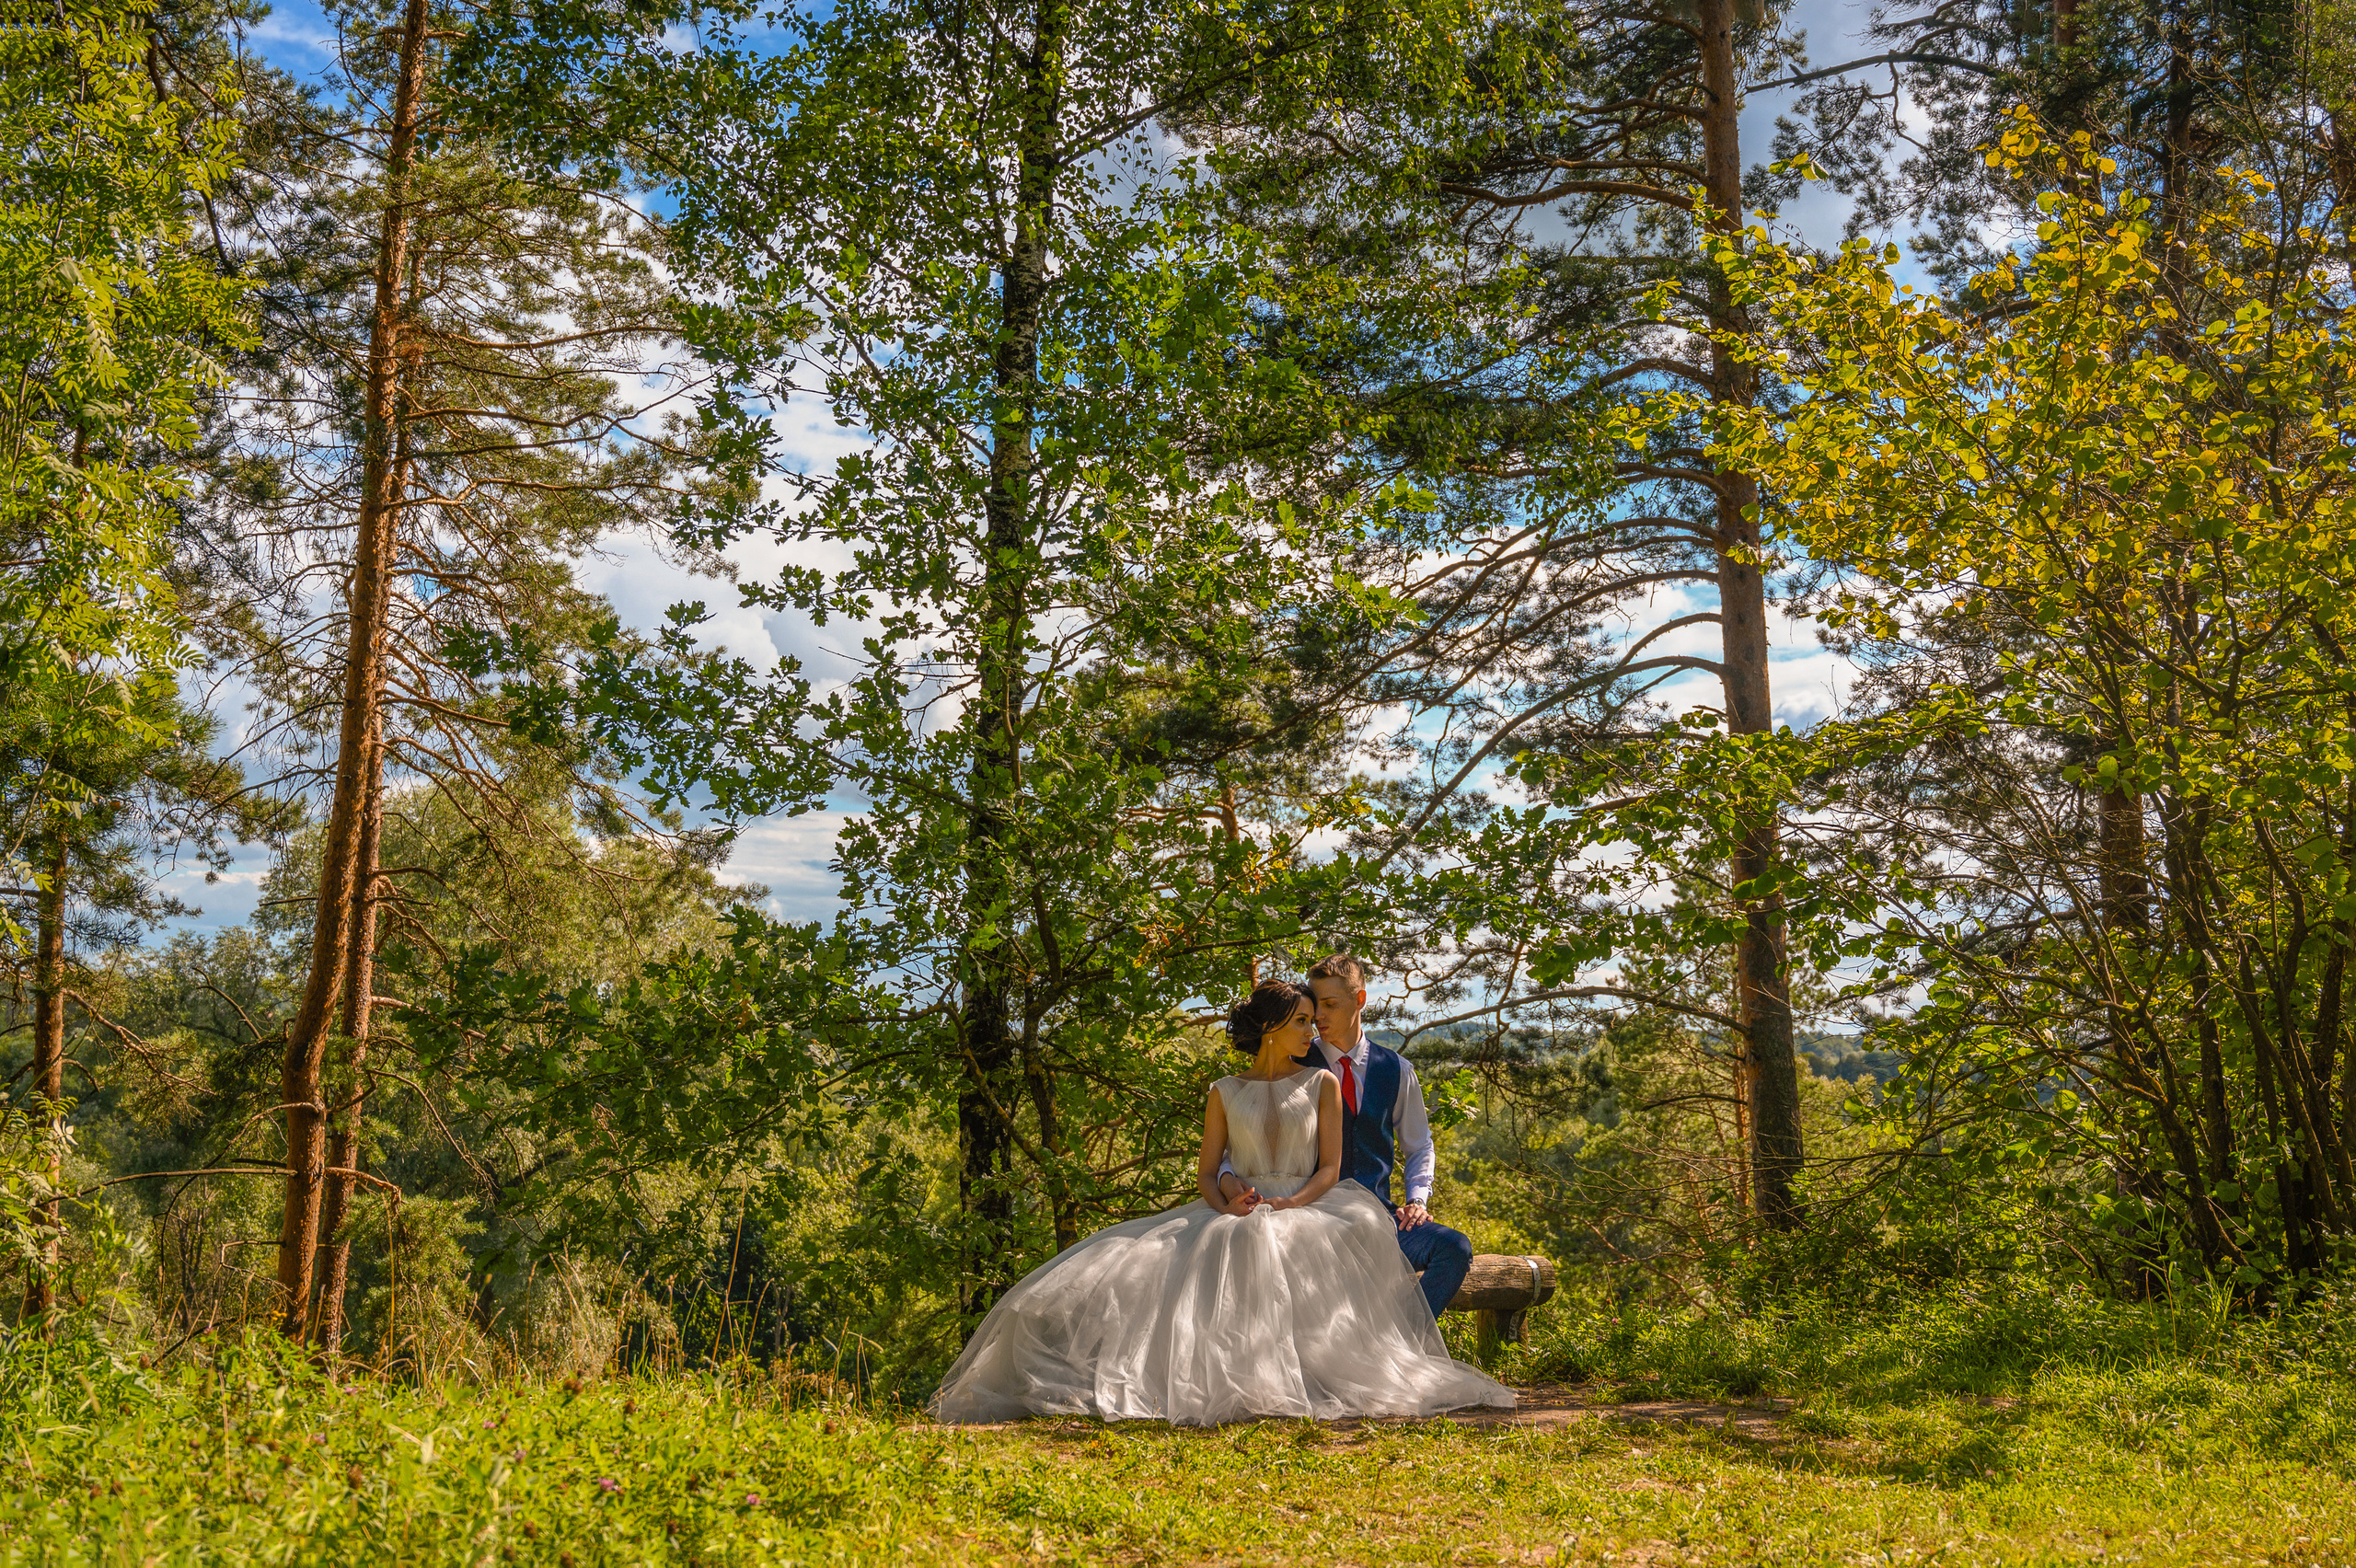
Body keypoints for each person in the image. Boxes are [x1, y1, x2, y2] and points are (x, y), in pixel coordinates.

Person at [927, 979, 1513, 1425]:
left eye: (1314, 1019)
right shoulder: (1225, 1091)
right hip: (1240, 1205)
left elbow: (1332, 1168)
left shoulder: (1322, 1084)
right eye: (1302, 1022)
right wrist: (1227, 1199)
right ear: (1271, 1029)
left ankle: (1325, 1368)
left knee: (1293, 1249)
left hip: (1315, 1204)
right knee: (1160, 1263)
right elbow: (1208, 1172)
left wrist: (1296, 1205)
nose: (1313, 1032)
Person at [1217, 953, 1474, 1320]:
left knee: (1454, 1249)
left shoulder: (1397, 1070)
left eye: (1329, 1004)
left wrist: (1417, 1200)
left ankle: (1402, 1341)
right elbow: (1240, 1137)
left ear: (1360, 1000)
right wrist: (1230, 1180)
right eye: (1314, 1003)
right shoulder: (1294, 1064)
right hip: (1306, 1216)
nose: (1318, 1015)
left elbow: (1419, 1146)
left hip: (1379, 1221)